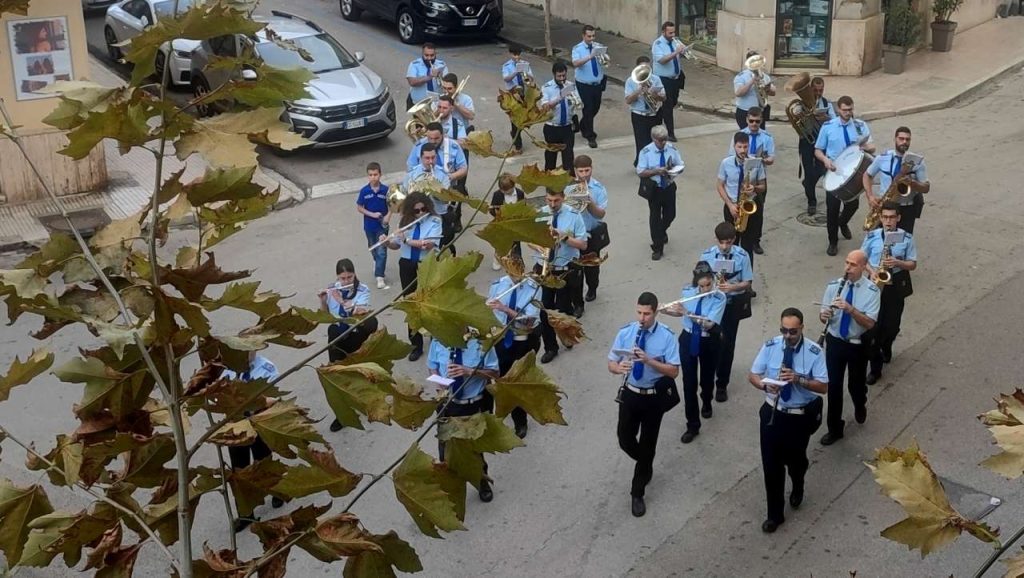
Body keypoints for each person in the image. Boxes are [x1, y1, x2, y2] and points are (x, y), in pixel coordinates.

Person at [748, 308, 828, 533]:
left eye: (792, 332)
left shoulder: (814, 352)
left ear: (801, 328)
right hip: (773, 411)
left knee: (795, 462)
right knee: (771, 466)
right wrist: (765, 384)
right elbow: (753, 374)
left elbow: (823, 387)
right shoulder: (772, 346)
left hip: (798, 417)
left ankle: (798, 481)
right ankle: (775, 515)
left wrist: (798, 379)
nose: (787, 336)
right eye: (784, 330)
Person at [608, 291, 681, 517]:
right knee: (624, 438)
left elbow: (674, 371)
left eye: (647, 314)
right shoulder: (627, 332)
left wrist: (649, 361)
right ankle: (646, 463)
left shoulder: (667, 337)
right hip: (630, 393)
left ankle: (637, 492)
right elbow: (611, 361)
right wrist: (617, 368)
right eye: (639, 312)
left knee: (648, 442)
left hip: (652, 396)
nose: (642, 318)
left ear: (655, 311)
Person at [818, 250, 881, 446]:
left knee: (855, 385)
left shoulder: (872, 291)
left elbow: (870, 323)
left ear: (863, 267)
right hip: (835, 341)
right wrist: (825, 315)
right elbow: (822, 313)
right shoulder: (834, 286)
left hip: (856, 344)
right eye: (846, 263)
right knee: (834, 386)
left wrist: (850, 309)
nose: (848, 268)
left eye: (853, 265)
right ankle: (835, 428)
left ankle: (860, 403)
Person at [429, 333, 500, 502]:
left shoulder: (481, 342)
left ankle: (482, 482)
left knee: (475, 449)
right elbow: (432, 365)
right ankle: (450, 490)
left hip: (473, 404)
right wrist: (440, 386)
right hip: (448, 404)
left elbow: (494, 373)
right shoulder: (439, 340)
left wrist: (469, 372)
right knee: (447, 451)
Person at [661, 261, 726, 443]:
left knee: (706, 378)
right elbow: (680, 313)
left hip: (708, 339)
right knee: (689, 382)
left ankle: (707, 399)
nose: (705, 289)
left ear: (713, 280)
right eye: (702, 285)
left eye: (708, 285)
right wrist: (665, 310)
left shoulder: (719, 298)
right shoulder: (688, 292)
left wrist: (687, 312)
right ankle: (692, 425)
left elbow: (709, 323)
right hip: (688, 338)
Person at [220, 351, 285, 531]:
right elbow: (220, 394)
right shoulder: (228, 370)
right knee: (239, 472)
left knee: (264, 462)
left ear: (255, 351)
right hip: (236, 428)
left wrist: (251, 402)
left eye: (248, 352)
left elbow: (274, 398)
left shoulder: (266, 367)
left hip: (258, 424)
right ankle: (245, 513)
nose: (245, 356)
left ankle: (276, 491)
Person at [382, 192, 443, 362]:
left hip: (427, 264)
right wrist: (387, 242)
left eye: (424, 209)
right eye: (417, 211)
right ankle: (416, 344)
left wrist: (407, 239)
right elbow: (396, 245)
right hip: (407, 264)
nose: (421, 213)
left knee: (430, 301)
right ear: (410, 210)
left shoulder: (435, 221)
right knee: (411, 302)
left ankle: (434, 337)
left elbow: (428, 244)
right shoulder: (405, 222)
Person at [861, 202, 917, 384]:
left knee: (892, 326)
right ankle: (875, 370)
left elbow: (913, 264)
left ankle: (887, 343)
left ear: (898, 218)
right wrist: (871, 271)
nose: (888, 221)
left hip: (896, 286)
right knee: (873, 330)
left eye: (892, 217)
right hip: (876, 285)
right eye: (884, 217)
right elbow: (862, 259)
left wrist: (898, 263)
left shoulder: (906, 238)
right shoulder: (872, 236)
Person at [319, 258, 379, 432]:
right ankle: (343, 415)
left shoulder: (363, 290)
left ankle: (369, 404)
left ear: (354, 275)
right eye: (342, 278)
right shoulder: (332, 289)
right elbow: (325, 315)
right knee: (337, 376)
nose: (345, 281)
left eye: (349, 277)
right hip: (337, 335)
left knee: (359, 372)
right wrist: (324, 300)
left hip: (356, 334)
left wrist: (342, 301)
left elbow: (360, 314)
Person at [815, 95, 876, 256]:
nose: (848, 113)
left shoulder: (859, 126)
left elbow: (872, 146)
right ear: (838, 109)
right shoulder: (828, 127)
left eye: (850, 109)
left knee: (852, 205)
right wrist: (826, 160)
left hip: (853, 172)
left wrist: (864, 147)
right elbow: (818, 150)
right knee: (832, 209)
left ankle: (842, 223)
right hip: (834, 170)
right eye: (845, 110)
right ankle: (833, 241)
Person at [699, 222, 754, 403]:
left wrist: (732, 287)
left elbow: (747, 281)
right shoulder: (707, 256)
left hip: (731, 305)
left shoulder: (742, 255)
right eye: (721, 242)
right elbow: (699, 280)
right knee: (711, 340)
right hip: (713, 304)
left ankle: (722, 384)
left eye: (728, 242)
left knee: (728, 343)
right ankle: (710, 375)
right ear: (716, 240)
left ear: (734, 240)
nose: (724, 247)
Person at [532, 187, 588, 364]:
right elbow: (529, 240)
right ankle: (550, 348)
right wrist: (539, 246)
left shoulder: (573, 215)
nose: (552, 204)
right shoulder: (540, 214)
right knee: (545, 312)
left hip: (565, 270)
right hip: (545, 269)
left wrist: (564, 237)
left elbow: (583, 245)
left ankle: (566, 335)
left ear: (563, 198)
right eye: (549, 200)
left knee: (563, 310)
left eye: (556, 200)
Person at [487, 266, 542, 438]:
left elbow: (529, 322)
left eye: (517, 271)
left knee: (519, 381)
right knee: (505, 381)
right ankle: (514, 416)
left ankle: (525, 415)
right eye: (511, 271)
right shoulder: (498, 285)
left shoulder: (533, 288)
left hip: (523, 342)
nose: (514, 275)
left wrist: (504, 309)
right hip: (502, 340)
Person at [862, 126, 930, 234]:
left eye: (907, 139)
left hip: (907, 208)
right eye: (901, 138)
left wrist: (912, 183)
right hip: (886, 205)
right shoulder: (882, 158)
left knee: (903, 241)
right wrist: (870, 196)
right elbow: (867, 175)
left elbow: (926, 188)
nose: (904, 142)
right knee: (883, 238)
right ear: (895, 139)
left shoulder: (917, 162)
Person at [727, 106, 774, 255]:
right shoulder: (739, 136)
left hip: (757, 178)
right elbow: (730, 156)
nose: (754, 124)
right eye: (751, 121)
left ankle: (756, 240)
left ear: (761, 121)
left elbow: (772, 158)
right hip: (741, 178)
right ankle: (737, 236)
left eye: (757, 121)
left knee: (758, 212)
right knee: (738, 208)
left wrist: (765, 160)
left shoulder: (767, 137)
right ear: (747, 119)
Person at [717, 132, 766, 264]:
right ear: (734, 146)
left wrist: (754, 188)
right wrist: (730, 205)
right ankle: (730, 276)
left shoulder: (756, 163)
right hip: (732, 206)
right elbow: (720, 185)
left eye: (745, 147)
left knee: (747, 246)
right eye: (739, 147)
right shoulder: (726, 163)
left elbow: (763, 186)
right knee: (730, 245)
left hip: (749, 206)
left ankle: (747, 280)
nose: (743, 150)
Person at [636, 124, 684, 261]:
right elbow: (640, 171)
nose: (663, 142)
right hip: (655, 188)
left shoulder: (671, 149)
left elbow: (680, 163)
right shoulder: (646, 152)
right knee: (655, 218)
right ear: (653, 139)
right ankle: (657, 247)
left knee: (671, 214)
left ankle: (661, 231)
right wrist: (657, 171)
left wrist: (675, 169)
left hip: (668, 186)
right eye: (660, 140)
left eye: (664, 139)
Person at [570, 154, 609, 312]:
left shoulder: (598, 189)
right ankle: (578, 304)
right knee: (575, 272)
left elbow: (600, 214)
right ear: (575, 171)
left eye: (587, 170)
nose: (584, 174)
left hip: (591, 233)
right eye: (581, 171)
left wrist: (588, 201)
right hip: (574, 236)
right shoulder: (568, 187)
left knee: (592, 268)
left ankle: (592, 288)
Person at [405, 143, 455, 254]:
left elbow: (446, 200)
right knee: (422, 249)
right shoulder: (412, 174)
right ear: (421, 158)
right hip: (419, 217)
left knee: (443, 246)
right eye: (427, 158)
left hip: (438, 215)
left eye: (433, 158)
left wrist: (434, 188)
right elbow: (406, 195)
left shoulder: (442, 175)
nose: (431, 161)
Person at [799, 76, 836, 215]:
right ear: (811, 89)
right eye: (815, 90)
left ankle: (808, 183)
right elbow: (797, 123)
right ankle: (812, 202)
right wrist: (807, 117)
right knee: (809, 172)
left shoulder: (827, 103)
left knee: (821, 170)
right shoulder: (801, 105)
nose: (818, 93)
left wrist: (825, 118)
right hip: (807, 142)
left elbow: (834, 121)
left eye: (821, 90)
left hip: (822, 144)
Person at [625, 55, 665, 166]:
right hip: (639, 115)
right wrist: (638, 91)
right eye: (642, 68)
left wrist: (655, 94)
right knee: (641, 143)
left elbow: (664, 98)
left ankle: (653, 163)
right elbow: (628, 100)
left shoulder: (656, 79)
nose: (645, 71)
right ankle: (642, 165)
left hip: (654, 114)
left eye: (648, 67)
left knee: (655, 141)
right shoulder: (630, 81)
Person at [651, 21, 688, 141]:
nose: (672, 35)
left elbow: (680, 55)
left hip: (675, 78)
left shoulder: (675, 41)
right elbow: (661, 60)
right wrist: (676, 52)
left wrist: (684, 52)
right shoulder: (658, 44)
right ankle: (670, 133)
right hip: (663, 79)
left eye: (673, 32)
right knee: (668, 105)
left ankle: (657, 119)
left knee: (672, 102)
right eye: (670, 33)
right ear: (663, 32)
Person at [571, 24, 606, 149]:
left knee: (595, 108)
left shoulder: (598, 46)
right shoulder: (577, 49)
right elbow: (575, 63)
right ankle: (590, 136)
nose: (591, 38)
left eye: (593, 36)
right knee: (588, 109)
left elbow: (605, 61)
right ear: (583, 35)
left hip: (597, 83)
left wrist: (604, 58)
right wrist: (590, 56)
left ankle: (582, 124)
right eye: (589, 36)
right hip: (584, 84)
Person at [539, 61, 578, 173]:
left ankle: (570, 183)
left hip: (567, 127)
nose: (562, 78)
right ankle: (550, 184)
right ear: (554, 75)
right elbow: (546, 107)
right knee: (551, 157)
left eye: (564, 75)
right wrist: (559, 98)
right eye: (559, 76)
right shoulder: (547, 87)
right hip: (552, 127)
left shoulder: (570, 85)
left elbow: (577, 101)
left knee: (568, 157)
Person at [356, 162, 390, 289]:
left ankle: (379, 277)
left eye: (375, 174)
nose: (373, 177)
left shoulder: (385, 190)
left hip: (382, 226)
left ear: (380, 175)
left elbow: (393, 205)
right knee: (373, 247)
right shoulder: (364, 191)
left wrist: (388, 217)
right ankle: (376, 262)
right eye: (370, 175)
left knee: (382, 251)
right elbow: (359, 207)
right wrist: (371, 214)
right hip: (369, 225)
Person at [488, 173, 526, 270]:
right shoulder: (497, 195)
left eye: (508, 191)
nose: (505, 193)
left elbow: (523, 206)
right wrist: (498, 215)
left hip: (515, 223)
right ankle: (498, 257)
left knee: (516, 243)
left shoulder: (520, 193)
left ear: (513, 186)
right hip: (502, 223)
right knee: (501, 242)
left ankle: (517, 261)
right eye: (503, 191)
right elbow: (492, 208)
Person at [501, 46, 534, 154]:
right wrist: (516, 71)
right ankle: (518, 145)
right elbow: (506, 78)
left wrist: (525, 72)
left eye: (518, 54)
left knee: (523, 118)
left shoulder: (525, 64)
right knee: (515, 119)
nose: (517, 57)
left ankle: (515, 134)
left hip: (523, 92)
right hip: (512, 93)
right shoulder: (506, 65)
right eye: (514, 55)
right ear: (510, 54)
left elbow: (531, 78)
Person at [733, 51, 775, 129]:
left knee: (760, 136)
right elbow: (738, 93)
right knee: (746, 137)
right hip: (745, 111)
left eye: (757, 62)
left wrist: (768, 88)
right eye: (753, 62)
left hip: (760, 112)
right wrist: (752, 81)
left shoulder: (764, 76)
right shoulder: (741, 76)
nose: (756, 64)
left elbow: (773, 92)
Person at [406, 43, 447, 109]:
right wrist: (430, 77)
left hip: (436, 104)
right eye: (426, 55)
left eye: (432, 55)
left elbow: (447, 85)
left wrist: (441, 76)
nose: (429, 58)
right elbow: (412, 82)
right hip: (417, 104)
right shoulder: (414, 65)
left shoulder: (441, 65)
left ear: (435, 54)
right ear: (422, 54)